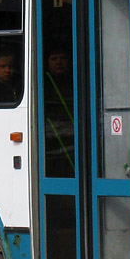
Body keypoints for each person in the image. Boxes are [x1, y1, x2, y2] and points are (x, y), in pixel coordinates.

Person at [42, 44, 75, 176]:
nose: (59, 62)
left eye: (63, 58)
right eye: (54, 59)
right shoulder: (43, 82)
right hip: (51, 139)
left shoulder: (76, 80)